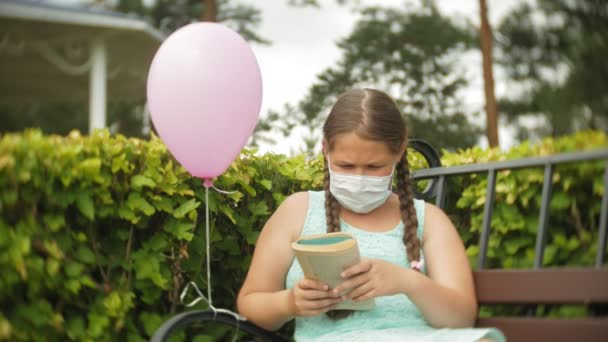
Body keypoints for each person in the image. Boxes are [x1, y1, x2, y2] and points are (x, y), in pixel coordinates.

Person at [236, 89, 505, 341]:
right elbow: (251, 301)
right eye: (346, 165)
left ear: (399, 152)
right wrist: (290, 303)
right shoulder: (298, 211)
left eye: (374, 166)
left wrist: (407, 282)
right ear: (325, 149)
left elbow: (460, 320)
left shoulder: (429, 221)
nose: (359, 178)